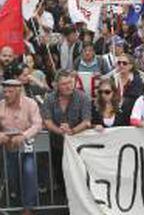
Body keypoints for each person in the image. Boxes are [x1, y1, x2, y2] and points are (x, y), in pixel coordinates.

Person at [41, 70, 92, 194]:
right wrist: (60, 131)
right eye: (64, 84)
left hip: (78, 144)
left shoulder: (83, 97)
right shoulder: (49, 98)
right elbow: (47, 121)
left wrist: (72, 131)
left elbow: (86, 121)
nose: (68, 86)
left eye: (70, 82)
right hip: (57, 143)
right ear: (57, 85)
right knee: (60, 172)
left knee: (79, 174)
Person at [0, 79, 42, 215]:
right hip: (8, 147)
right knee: (12, 175)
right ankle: (16, 198)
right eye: (4, 91)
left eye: (10, 91)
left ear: (19, 92)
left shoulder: (31, 104)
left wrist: (23, 136)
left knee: (29, 171)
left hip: (27, 145)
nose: (6, 94)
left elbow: (37, 124)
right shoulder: (0, 105)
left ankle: (28, 207)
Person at [113, 54, 143, 123]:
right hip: (115, 112)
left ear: (131, 66)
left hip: (131, 112)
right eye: (119, 63)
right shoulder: (113, 79)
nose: (121, 65)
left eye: (124, 63)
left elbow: (137, 99)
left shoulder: (137, 81)